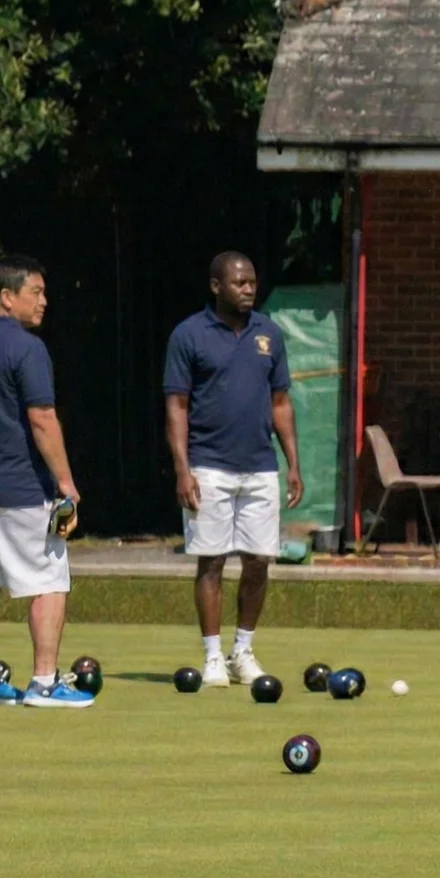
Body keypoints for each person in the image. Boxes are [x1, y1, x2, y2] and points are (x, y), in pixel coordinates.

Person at [0, 256, 91, 708]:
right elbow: (42, 418)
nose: (44, 300)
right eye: (36, 291)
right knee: (49, 578)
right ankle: (45, 682)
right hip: (22, 486)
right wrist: (66, 482)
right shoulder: (28, 348)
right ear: (7, 297)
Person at [163, 251, 303, 689]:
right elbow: (176, 406)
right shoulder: (189, 334)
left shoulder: (269, 334)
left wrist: (293, 463)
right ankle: (212, 656)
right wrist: (182, 469)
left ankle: (242, 650)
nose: (248, 289)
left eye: (252, 282)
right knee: (212, 561)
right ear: (216, 286)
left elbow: (280, 402)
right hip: (209, 466)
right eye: (239, 283)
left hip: (260, 467)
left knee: (259, 561)